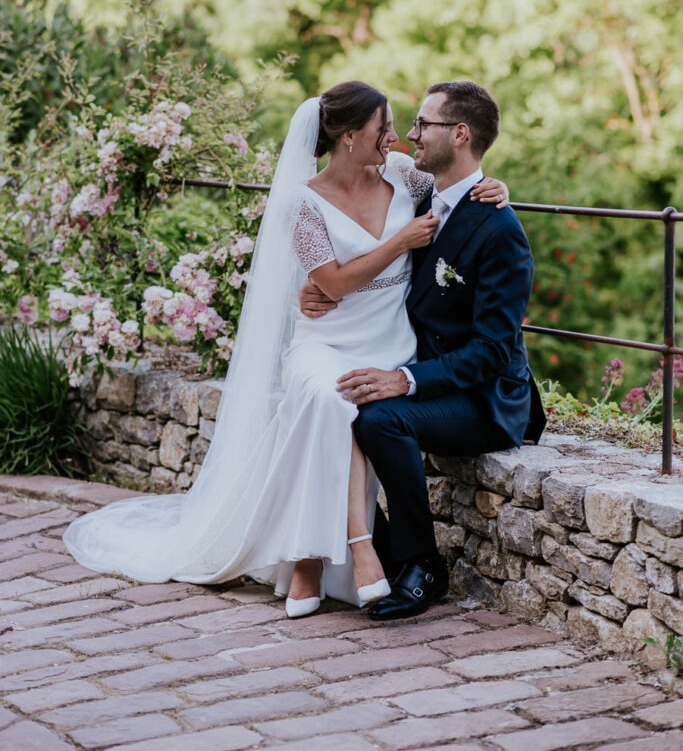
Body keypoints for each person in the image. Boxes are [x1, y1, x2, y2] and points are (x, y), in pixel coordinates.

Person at [62, 82, 508, 618]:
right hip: (326, 338)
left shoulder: (401, 175)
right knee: (327, 398)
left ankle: (310, 556)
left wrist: (496, 187)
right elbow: (335, 283)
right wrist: (395, 245)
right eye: (383, 127)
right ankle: (347, 549)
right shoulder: (302, 200)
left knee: (350, 406)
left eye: (400, 126)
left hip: (390, 341)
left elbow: (454, 188)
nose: (397, 136)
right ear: (348, 137)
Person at [303, 81, 545, 621]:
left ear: (459, 135)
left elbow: (491, 351)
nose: (408, 134)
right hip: (425, 373)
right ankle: (375, 552)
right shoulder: (417, 196)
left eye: (422, 125)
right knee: (332, 405)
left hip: (484, 397)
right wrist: (315, 287)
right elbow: (363, 254)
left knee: (380, 418)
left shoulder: (500, 230)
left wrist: (405, 380)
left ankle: (421, 565)